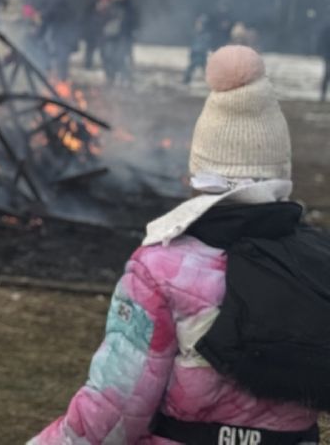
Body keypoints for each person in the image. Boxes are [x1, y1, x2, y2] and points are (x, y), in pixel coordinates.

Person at [29, 46, 324, 445]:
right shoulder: (316, 260)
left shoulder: (161, 268)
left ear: (201, 167)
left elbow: (116, 409)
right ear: (280, 167)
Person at [183, 13, 211, 85]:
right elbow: (193, 44)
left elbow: (204, 44)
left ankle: (211, 81)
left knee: (204, 69)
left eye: (200, 24)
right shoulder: (196, 33)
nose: (198, 25)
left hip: (201, 54)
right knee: (191, 68)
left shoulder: (205, 35)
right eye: (197, 24)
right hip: (195, 53)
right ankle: (186, 80)